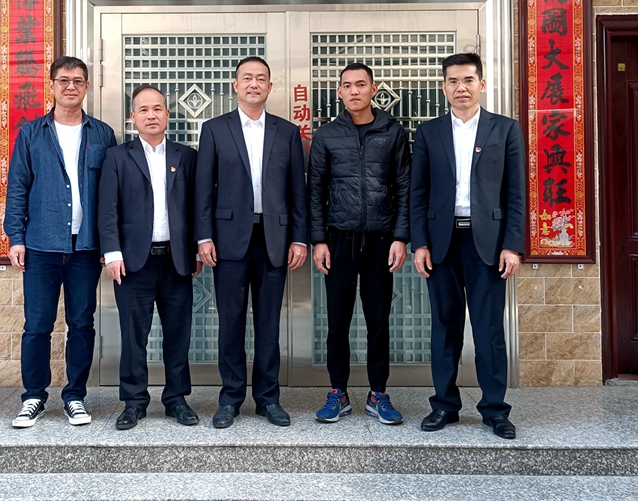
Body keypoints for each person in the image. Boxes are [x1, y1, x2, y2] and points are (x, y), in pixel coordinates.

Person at [410, 52, 525, 440]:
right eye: (453, 81)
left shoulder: (505, 129)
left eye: (468, 80)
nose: (461, 87)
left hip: (488, 244)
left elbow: (516, 192)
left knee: (489, 328)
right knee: (444, 327)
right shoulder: (429, 132)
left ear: (482, 84)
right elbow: (418, 192)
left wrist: (512, 245)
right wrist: (419, 243)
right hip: (441, 243)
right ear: (444, 87)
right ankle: (444, 405)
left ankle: (495, 409)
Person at [195, 56, 309, 428]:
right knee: (230, 323)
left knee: (268, 324)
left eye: (261, 78)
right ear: (235, 85)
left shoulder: (287, 132)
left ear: (270, 86)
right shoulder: (215, 129)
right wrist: (203, 236)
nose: (254, 84)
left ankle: (267, 398)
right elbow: (203, 188)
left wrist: (300, 238)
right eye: (247, 78)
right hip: (228, 240)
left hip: (274, 239)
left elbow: (297, 190)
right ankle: (230, 398)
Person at [4, 56, 116, 428]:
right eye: (63, 80)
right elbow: (17, 186)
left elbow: (111, 194)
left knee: (82, 323)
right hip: (41, 244)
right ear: (51, 85)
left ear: (87, 87)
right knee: (37, 324)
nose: (71, 86)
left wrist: (110, 242)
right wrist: (16, 237)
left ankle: (75, 397)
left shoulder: (102, 134)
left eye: (78, 80)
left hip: (86, 248)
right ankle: (33, 397)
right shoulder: (31, 133)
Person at [308, 63, 411, 425]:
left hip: (381, 239)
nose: (354, 91)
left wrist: (400, 237)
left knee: (378, 320)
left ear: (373, 89)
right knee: (338, 321)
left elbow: (404, 187)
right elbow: (315, 190)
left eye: (361, 84)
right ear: (339, 92)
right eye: (347, 85)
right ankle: (338, 391)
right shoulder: (327, 135)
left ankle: (378, 393)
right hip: (339, 238)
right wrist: (318, 240)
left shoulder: (392, 132)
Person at [98, 85, 200, 430]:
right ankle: (134, 401)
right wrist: (112, 253)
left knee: (178, 334)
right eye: (143, 110)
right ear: (133, 117)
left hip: (176, 260)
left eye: (157, 108)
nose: (151, 115)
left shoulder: (186, 156)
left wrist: (197, 247)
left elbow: (196, 206)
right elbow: (107, 209)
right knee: (133, 336)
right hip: (132, 262)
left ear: (167, 114)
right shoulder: (117, 157)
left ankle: (176, 399)